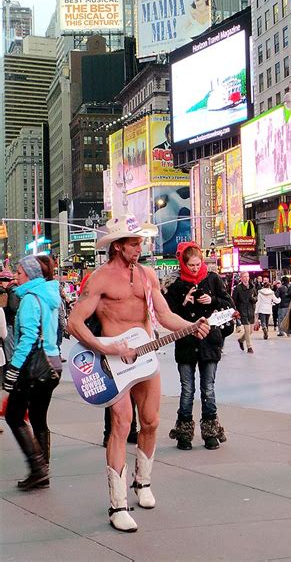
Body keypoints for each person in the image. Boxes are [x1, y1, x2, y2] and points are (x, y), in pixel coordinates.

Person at [68, 215, 209, 532]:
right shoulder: (99, 279)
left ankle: (142, 483)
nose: (140, 247)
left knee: (152, 421)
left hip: (145, 360)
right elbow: (74, 323)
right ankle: (117, 504)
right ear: (118, 246)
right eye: (134, 243)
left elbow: (165, 315)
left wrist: (192, 326)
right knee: (121, 424)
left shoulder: (148, 276)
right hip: (114, 364)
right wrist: (107, 348)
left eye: (140, 241)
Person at [165, 242, 233, 450]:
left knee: (208, 388)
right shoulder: (175, 284)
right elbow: (167, 313)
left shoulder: (212, 279)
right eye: (191, 265)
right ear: (184, 264)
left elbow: (229, 305)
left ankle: (211, 432)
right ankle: (184, 433)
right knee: (187, 389)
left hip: (209, 342)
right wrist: (184, 302)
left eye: (197, 264)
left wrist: (211, 300)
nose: (195, 268)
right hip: (186, 342)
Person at [4, 255, 62, 490]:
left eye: (18, 272)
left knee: (14, 416)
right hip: (53, 364)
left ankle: (38, 469)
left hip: (34, 366)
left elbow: (27, 338)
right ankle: (43, 470)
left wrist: (14, 368)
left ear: (28, 274)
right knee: (38, 417)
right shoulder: (49, 296)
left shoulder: (29, 299)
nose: (16, 276)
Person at [232, 272, 258, 354]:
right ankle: (249, 347)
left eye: (247, 276)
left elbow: (256, 297)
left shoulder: (252, 287)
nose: (246, 278)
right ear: (241, 278)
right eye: (244, 276)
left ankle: (241, 340)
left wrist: (253, 299)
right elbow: (234, 300)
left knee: (250, 331)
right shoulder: (238, 288)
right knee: (247, 330)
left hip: (251, 310)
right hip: (242, 310)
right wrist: (235, 310)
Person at [0, 269, 19, 366]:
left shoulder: (12, 290)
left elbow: (12, 307)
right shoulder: (10, 290)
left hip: (10, 324)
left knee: (9, 350)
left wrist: (3, 308)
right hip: (10, 323)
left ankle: (11, 367)